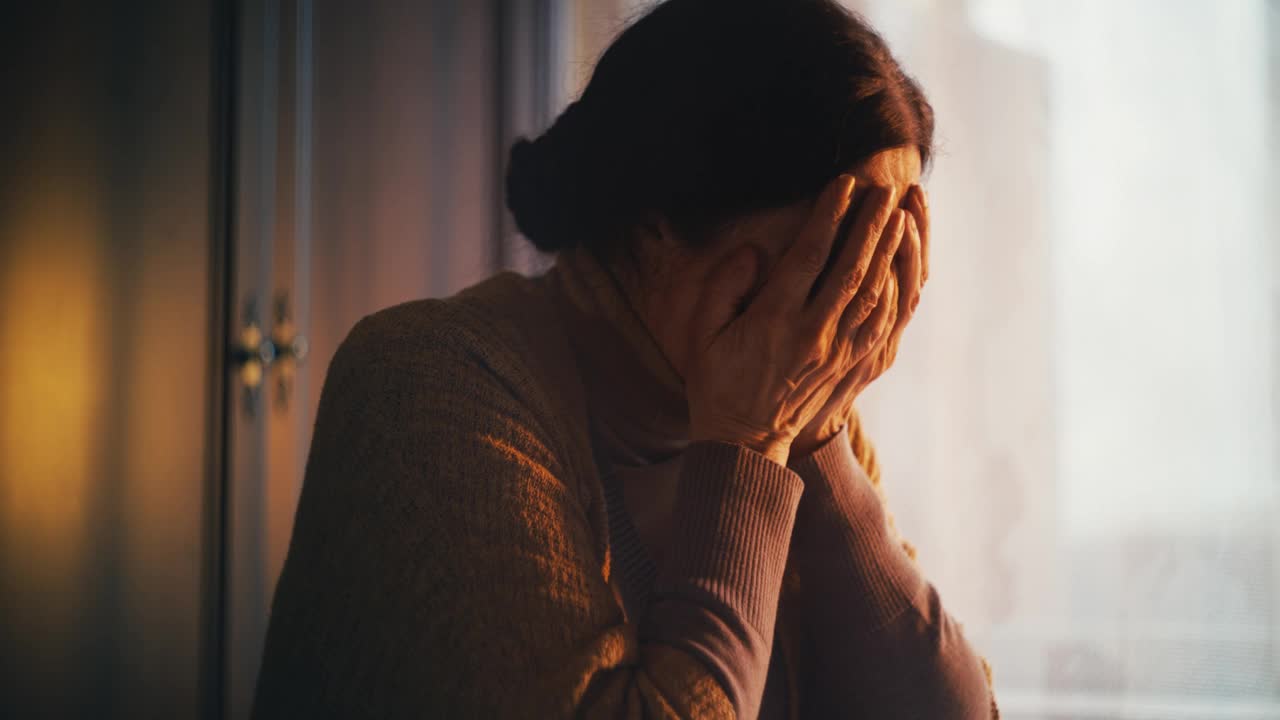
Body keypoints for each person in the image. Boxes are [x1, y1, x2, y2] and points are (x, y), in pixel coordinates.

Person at [252, 0, 998, 717]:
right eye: (832, 253)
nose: (853, 307)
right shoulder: (424, 386)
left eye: (884, 254)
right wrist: (746, 442)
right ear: (655, 228)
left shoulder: (803, 409)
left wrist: (819, 441)